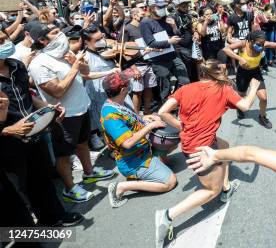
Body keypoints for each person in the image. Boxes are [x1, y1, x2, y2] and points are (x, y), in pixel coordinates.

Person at [155, 60, 261, 248]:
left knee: (225, 145)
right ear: (218, 74)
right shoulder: (223, 89)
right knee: (212, 190)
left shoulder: (186, 88)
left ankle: (227, 188)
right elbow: (245, 106)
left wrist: (181, 126)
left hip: (191, 143)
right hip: (200, 149)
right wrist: (253, 88)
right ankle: (168, 215)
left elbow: (163, 112)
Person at [0, 28, 84, 228]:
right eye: (0, 40)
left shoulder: (17, 66)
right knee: (18, 194)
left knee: (42, 179)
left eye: (5, 38)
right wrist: (8, 130)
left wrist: (49, 109)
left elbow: (28, 97)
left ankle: (53, 217)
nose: (4, 43)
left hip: (34, 135)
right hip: (6, 145)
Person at [27, 22, 115, 203]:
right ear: (42, 40)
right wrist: (74, 69)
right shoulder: (39, 64)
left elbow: (85, 72)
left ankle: (89, 173)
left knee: (83, 143)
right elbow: (57, 91)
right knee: (64, 154)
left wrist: (77, 63)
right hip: (63, 116)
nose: (61, 36)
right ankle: (70, 188)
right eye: (55, 33)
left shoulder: (64, 54)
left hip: (82, 108)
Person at [100, 71, 177, 208]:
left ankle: (152, 169)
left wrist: (146, 118)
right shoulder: (110, 115)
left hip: (143, 150)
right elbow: (127, 143)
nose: (130, 84)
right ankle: (121, 187)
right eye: (127, 83)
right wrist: (151, 126)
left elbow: (132, 120)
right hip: (134, 160)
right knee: (170, 182)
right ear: (123, 89)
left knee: (170, 140)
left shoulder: (118, 102)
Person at [223, 30, 276, 128]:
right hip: (243, 73)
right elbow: (226, 49)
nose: (262, 46)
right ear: (251, 41)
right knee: (241, 95)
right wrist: (240, 58)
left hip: (255, 72)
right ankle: (240, 108)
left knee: (263, 98)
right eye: (259, 43)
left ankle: (262, 116)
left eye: (263, 43)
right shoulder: (243, 44)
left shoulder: (263, 44)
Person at [140, 0, 190, 101]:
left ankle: (176, 99)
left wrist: (174, 27)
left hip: (172, 56)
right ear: (153, 8)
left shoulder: (166, 18)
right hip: (159, 60)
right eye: (160, 7)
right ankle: (167, 109)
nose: (163, 8)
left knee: (185, 80)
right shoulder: (145, 23)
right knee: (165, 88)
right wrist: (169, 42)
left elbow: (177, 34)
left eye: (164, 6)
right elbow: (151, 43)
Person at [121, 5, 156, 115]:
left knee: (149, 89)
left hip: (149, 63)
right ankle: (136, 116)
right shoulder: (127, 29)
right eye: (142, 14)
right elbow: (123, 51)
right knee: (137, 92)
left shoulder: (145, 27)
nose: (144, 16)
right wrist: (134, 68)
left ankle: (147, 111)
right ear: (135, 16)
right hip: (137, 66)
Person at [172, 0, 198, 82]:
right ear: (177, 6)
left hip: (190, 45)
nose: (185, 6)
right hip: (180, 47)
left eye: (186, 4)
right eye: (183, 5)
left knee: (194, 69)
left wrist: (195, 33)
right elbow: (175, 32)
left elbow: (191, 29)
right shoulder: (173, 17)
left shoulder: (188, 15)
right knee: (186, 72)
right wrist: (180, 27)